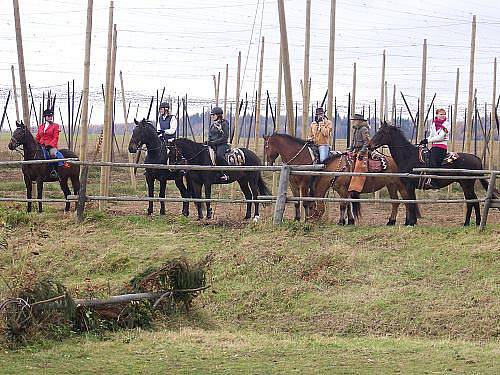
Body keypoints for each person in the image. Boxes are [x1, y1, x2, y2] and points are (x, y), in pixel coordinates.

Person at [419, 108, 450, 189]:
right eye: (441, 114)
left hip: (441, 147)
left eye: (444, 114)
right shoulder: (433, 124)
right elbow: (432, 135)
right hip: (434, 146)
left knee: (433, 161)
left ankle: (435, 182)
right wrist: (425, 140)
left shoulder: (446, 124)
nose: (443, 116)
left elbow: (441, 137)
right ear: (436, 115)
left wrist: (428, 140)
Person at [347, 114, 371, 193]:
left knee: (359, 167)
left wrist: (362, 152)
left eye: (354, 120)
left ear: (359, 121)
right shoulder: (356, 129)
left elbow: (366, 142)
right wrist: (350, 150)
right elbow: (353, 142)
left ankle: (356, 188)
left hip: (362, 152)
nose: (353, 122)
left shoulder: (364, 129)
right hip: (356, 151)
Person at [35, 108, 61, 179]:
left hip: (51, 146)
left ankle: (54, 171)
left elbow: (56, 137)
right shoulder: (40, 127)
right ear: (45, 117)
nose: (50, 117)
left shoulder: (56, 126)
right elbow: (37, 137)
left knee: (53, 154)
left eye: (51, 116)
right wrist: (35, 144)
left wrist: (50, 145)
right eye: (48, 116)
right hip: (41, 145)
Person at [207, 106, 230, 182]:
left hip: (222, 145)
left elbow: (225, 137)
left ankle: (225, 173)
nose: (212, 116)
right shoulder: (212, 125)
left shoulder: (224, 124)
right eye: (211, 115)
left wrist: (214, 142)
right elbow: (210, 136)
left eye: (213, 115)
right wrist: (208, 142)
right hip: (213, 145)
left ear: (218, 115)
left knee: (219, 155)